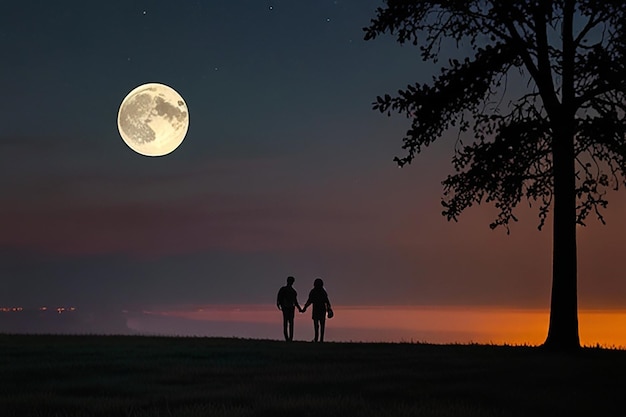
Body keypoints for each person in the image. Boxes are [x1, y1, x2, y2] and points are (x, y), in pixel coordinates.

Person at [302, 278, 332, 343]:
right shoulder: (322, 292)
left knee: (317, 325)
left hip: (317, 310)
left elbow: (309, 301)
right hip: (321, 310)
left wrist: (305, 308)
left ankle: (317, 338)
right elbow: (327, 302)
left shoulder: (314, 291)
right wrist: (329, 309)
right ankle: (320, 339)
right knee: (321, 325)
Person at [276, 276, 302, 342]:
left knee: (288, 323)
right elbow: (295, 302)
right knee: (289, 323)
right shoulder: (292, 291)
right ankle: (289, 338)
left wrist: (299, 308)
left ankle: (289, 338)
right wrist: (300, 309)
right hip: (288, 308)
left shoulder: (290, 291)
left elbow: (295, 302)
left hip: (288, 308)